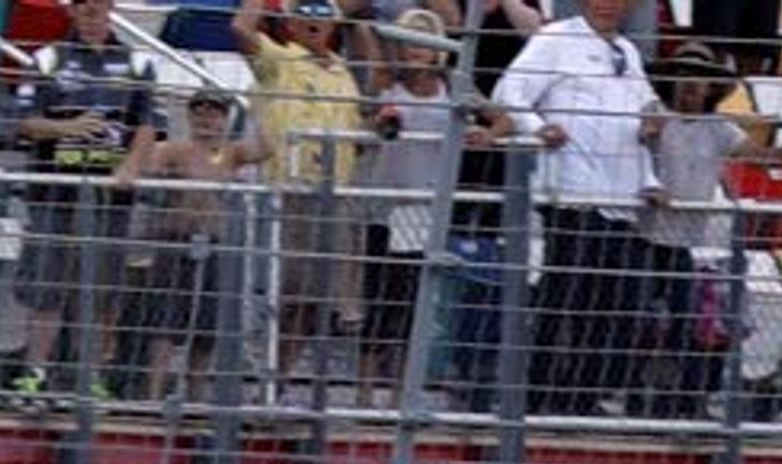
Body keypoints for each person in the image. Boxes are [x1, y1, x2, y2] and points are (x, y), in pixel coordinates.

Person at [488, 0, 658, 415]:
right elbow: (508, 92)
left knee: (613, 308)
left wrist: (651, 173)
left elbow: (645, 116)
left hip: (621, 201)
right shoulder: (555, 39)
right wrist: (536, 127)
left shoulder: (628, 51)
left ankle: (580, 396)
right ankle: (536, 395)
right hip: (573, 195)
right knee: (564, 300)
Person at [9, 0, 161, 395]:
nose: (95, 20)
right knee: (47, 286)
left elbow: (148, 126)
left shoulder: (138, 63)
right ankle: (35, 373)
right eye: (87, 11)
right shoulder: (46, 58)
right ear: (73, 12)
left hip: (111, 197)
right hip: (53, 192)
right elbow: (23, 122)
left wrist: (131, 168)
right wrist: (68, 127)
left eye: (101, 11)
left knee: (105, 288)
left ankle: (91, 377)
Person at [359, 7, 493, 405]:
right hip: (388, 205)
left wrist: (482, 134)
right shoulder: (388, 83)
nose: (418, 52)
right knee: (380, 299)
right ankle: (366, 394)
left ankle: (402, 392)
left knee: (414, 304)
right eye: (410, 43)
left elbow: (502, 118)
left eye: (425, 44)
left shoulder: (454, 86)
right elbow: (372, 125)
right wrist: (382, 125)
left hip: (428, 210)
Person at [238, 0, 370, 388]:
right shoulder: (280, 59)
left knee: (317, 300)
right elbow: (241, 31)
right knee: (290, 291)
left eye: (321, 16)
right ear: (291, 24)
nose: (314, 23)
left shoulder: (344, 72)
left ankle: (280, 375)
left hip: (334, 194)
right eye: (305, 16)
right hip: (289, 191)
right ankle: (265, 374)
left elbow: (357, 129)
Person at [117, 87, 268, 393]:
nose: (206, 119)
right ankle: (153, 393)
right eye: (199, 112)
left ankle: (196, 391)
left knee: (208, 324)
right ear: (189, 116)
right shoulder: (174, 149)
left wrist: (258, 110)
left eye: (213, 113)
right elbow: (148, 167)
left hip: (214, 243)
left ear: (225, 119)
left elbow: (266, 149)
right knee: (166, 322)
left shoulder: (232, 152)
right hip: (175, 240)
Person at [634, 42, 743, 416]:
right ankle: (633, 395)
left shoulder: (720, 128)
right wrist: (647, 132)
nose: (690, 83)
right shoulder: (655, 113)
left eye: (698, 76)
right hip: (644, 236)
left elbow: (755, 154)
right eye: (682, 74)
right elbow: (634, 144)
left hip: (685, 242)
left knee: (688, 323)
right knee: (636, 319)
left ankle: (681, 399)